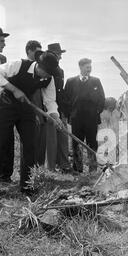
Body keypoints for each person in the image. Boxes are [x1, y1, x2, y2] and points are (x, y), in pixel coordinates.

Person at [0, 51, 62, 195]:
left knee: (30, 144)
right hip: (6, 104)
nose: (48, 76)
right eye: (47, 72)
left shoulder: (49, 78)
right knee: (2, 141)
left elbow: (50, 100)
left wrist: (55, 116)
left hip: (26, 107)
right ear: (39, 66)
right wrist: (14, 89)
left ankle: (28, 186)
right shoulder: (19, 65)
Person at [64, 58, 105, 173]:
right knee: (76, 143)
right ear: (81, 67)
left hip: (91, 119)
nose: (89, 69)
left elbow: (102, 98)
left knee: (92, 143)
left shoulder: (96, 81)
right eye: (87, 67)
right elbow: (65, 99)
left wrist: (97, 112)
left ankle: (92, 168)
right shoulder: (70, 82)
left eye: (90, 67)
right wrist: (70, 115)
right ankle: (77, 169)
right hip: (76, 119)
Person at [46, 43, 72, 173]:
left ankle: (64, 165)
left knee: (63, 137)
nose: (60, 57)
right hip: (48, 108)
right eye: (59, 54)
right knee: (51, 139)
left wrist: (64, 109)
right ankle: (51, 167)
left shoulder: (60, 71)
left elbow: (60, 91)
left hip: (59, 107)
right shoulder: (45, 69)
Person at [0, 27, 13, 185]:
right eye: (2, 41)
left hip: (3, 105)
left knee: (5, 139)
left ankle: (5, 175)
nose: (4, 44)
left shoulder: (3, 60)